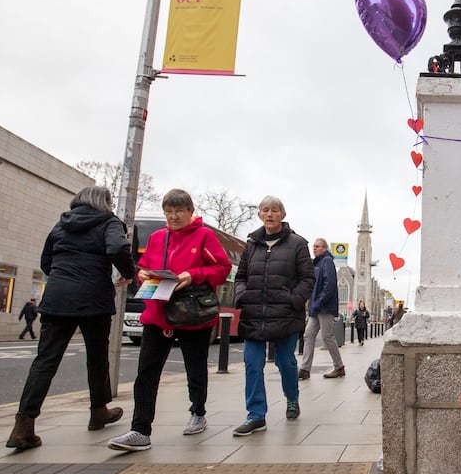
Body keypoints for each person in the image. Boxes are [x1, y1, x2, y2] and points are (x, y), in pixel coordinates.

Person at [6, 186, 136, 450]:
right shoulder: (109, 222)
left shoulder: (62, 224)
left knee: (45, 361)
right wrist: (128, 273)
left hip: (57, 298)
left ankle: (23, 425)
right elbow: (118, 248)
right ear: (105, 203)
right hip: (93, 299)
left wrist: (62, 277)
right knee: (97, 357)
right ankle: (98, 411)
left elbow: (46, 261)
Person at [108, 189, 231, 452]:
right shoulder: (156, 238)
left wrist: (193, 274)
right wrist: (142, 275)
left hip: (192, 312)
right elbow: (145, 266)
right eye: (169, 211)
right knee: (147, 371)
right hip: (157, 312)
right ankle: (140, 430)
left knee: (194, 367)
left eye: (179, 211)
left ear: (190, 212)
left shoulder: (205, 236)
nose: (173, 216)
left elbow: (222, 270)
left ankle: (198, 411)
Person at [232, 196, 314, 435]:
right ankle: (256, 415)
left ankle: (292, 397)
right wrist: (242, 297)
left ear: (282, 215)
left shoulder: (298, 244)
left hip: (285, 314)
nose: (270, 214)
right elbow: (241, 276)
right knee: (252, 363)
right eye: (265, 210)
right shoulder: (252, 245)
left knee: (285, 361)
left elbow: (307, 278)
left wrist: (293, 300)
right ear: (259, 214)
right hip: (254, 313)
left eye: (275, 210)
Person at [298, 238, 346, 380]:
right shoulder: (317, 263)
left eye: (317, 246)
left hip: (324, 307)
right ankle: (305, 369)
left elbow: (329, 285)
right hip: (316, 307)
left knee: (327, 336)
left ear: (325, 248)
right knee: (308, 335)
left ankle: (339, 367)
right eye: (314, 246)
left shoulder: (327, 261)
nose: (314, 249)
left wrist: (319, 302)